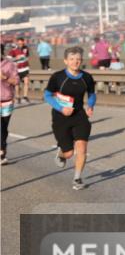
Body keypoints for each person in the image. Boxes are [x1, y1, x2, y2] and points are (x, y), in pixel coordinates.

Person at [44, 46, 96, 190]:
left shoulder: (87, 77)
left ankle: (77, 179)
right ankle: (62, 152)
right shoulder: (57, 77)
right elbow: (47, 95)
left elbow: (92, 94)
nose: (75, 62)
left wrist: (90, 106)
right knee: (69, 153)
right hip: (61, 117)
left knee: (82, 148)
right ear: (66, 61)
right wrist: (61, 108)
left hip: (79, 115)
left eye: (78, 59)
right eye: (72, 59)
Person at [1, 45, 17, 165]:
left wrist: (4, 77)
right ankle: (1, 152)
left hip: (6, 100)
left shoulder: (9, 65)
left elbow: (16, 81)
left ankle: (2, 150)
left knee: (4, 128)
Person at [10, 37, 30, 103]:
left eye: (21, 42)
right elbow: (9, 59)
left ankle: (25, 96)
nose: (20, 44)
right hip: (17, 69)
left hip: (25, 68)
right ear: (17, 43)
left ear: (23, 42)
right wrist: (16, 58)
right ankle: (18, 96)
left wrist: (26, 60)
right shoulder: (13, 50)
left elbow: (27, 56)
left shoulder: (26, 48)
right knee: (17, 84)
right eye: (19, 43)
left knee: (26, 82)